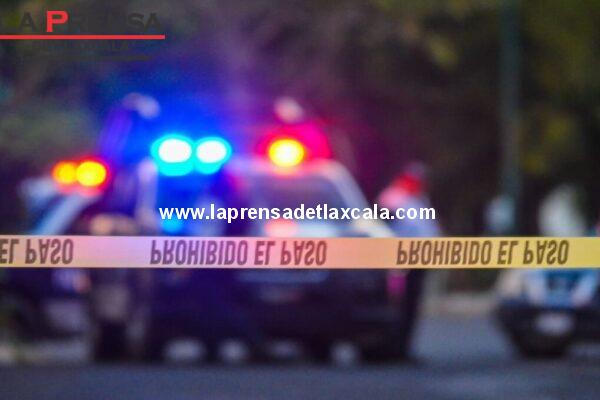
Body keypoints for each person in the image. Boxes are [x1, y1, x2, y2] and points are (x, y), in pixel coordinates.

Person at [377, 162, 441, 359]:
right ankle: (393, 349)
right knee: (400, 308)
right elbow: (383, 220)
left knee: (411, 308)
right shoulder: (393, 197)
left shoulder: (418, 201)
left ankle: (404, 348)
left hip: (419, 262)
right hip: (401, 263)